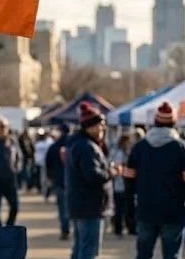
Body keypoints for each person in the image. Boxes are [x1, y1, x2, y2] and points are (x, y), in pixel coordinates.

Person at [124, 103, 185, 259]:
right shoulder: (182, 148)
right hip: (173, 212)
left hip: (145, 211)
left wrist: (129, 209)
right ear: (174, 123)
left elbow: (128, 181)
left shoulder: (139, 148)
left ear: (155, 122)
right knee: (172, 255)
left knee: (143, 255)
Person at [66, 102, 117, 259]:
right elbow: (93, 176)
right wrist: (111, 172)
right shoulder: (87, 147)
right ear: (90, 126)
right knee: (88, 250)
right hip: (90, 206)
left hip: (82, 205)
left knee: (80, 248)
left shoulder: (78, 144)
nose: (103, 128)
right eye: (100, 125)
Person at [46, 123, 72, 240]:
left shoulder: (54, 146)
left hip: (59, 181)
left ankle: (65, 229)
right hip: (72, 182)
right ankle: (70, 228)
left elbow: (48, 163)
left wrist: (50, 177)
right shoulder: (73, 145)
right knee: (71, 207)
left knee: (62, 207)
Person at [109, 133, 131, 238]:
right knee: (120, 208)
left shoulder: (121, 152)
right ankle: (118, 228)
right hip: (119, 184)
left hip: (120, 184)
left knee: (121, 207)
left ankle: (120, 227)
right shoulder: (119, 153)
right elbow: (118, 168)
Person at [34, 130, 53, 199]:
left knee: (46, 179)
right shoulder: (39, 143)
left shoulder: (49, 142)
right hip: (41, 163)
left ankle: (47, 192)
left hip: (48, 163)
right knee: (43, 179)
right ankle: (45, 192)